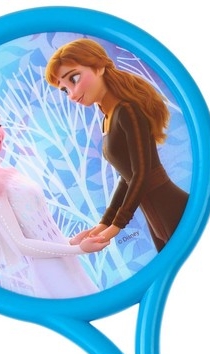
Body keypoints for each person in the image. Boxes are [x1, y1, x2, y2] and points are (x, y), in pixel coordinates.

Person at [0, 90, 105, 298]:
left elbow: (37, 230)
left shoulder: (10, 173)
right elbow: (21, 244)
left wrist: (71, 242)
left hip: (64, 260)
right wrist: (79, 249)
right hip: (50, 270)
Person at [45, 38, 188, 253]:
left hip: (171, 208)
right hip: (155, 217)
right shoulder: (108, 118)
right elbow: (127, 177)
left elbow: (141, 174)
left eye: (74, 79)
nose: (72, 95)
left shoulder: (128, 111)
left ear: (99, 67)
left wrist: (116, 227)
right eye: (65, 90)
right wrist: (104, 223)